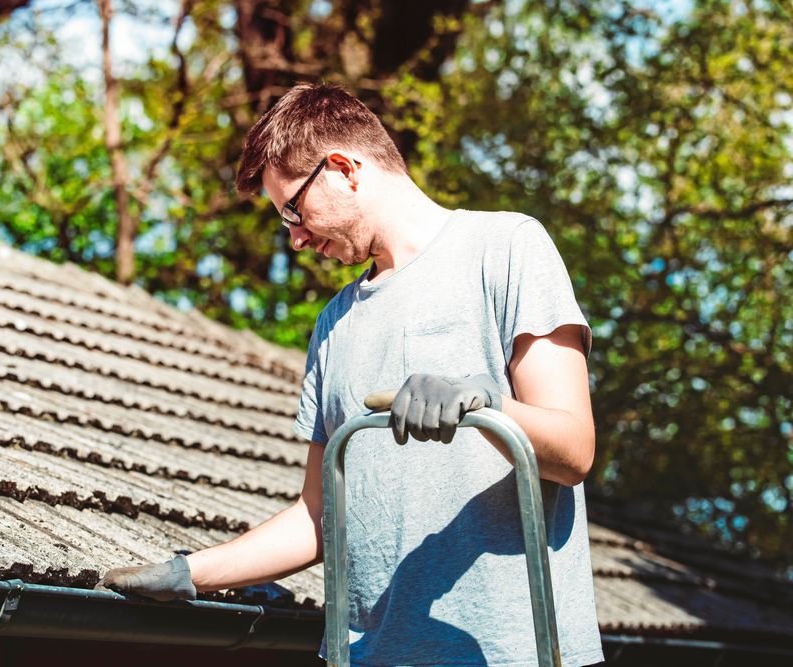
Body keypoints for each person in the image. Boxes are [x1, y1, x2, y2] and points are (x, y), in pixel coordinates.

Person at [97, 83, 604, 666]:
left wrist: (487, 404)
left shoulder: (506, 247)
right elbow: (321, 516)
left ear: (342, 168)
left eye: (293, 209)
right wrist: (192, 573)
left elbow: (574, 451)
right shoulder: (333, 324)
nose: (296, 237)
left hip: (513, 654)